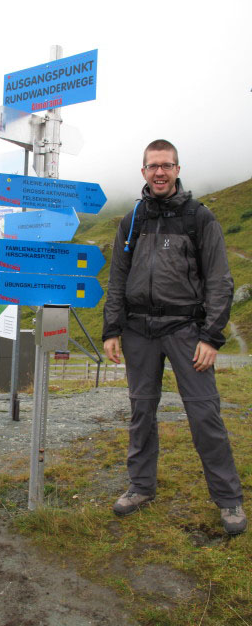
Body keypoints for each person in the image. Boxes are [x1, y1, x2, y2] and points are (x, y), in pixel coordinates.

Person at [102, 139, 246, 535]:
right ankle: (141, 486)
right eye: (153, 166)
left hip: (187, 331)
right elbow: (117, 279)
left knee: (205, 415)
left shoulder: (199, 218)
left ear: (177, 169)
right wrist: (112, 329)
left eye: (167, 165)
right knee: (141, 413)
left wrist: (212, 337)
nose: (160, 172)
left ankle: (228, 499)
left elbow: (220, 280)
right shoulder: (132, 221)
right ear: (143, 171)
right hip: (138, 331)